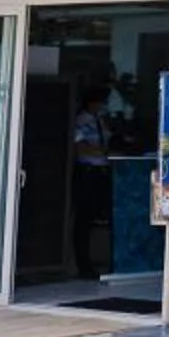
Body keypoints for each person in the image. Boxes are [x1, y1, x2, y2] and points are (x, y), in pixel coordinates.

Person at [69, 89, 114, 279]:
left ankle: (98, 260)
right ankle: (82, 264)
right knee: (84, 218)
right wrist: (101, 152)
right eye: (101, 102)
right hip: (87, 172)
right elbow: (80, 146)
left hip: (101, 172)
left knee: (98, 216)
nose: (103, 106)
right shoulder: (82, 120)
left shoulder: (100, 120)